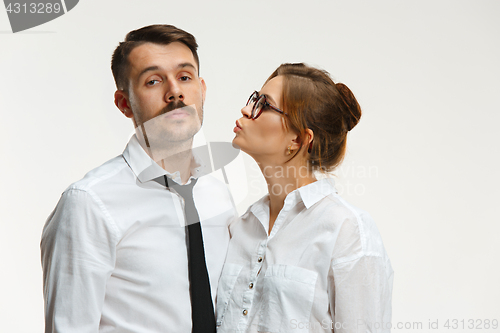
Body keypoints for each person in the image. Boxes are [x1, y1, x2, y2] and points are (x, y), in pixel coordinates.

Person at [41, 25, 236, 332]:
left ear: (202, 89)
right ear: (124, 103)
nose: (175, 92)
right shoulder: (89, 203)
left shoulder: (218, 196)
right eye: (153, 81)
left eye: (185, 77)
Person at [216, 63, 393, 332]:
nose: (246, 110)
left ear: (298, 139)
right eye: (254, 99)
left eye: (264, 104)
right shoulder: (240, 227)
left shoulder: (346, 230)